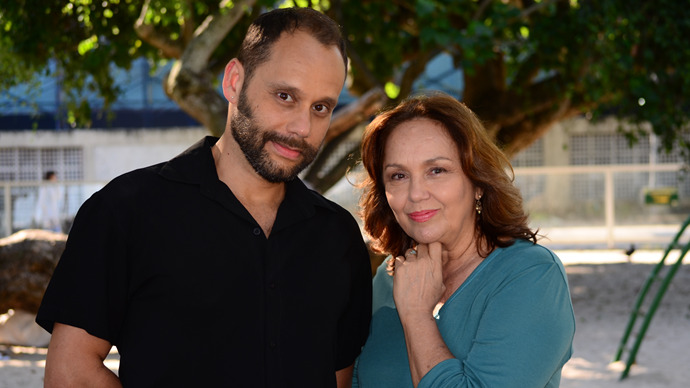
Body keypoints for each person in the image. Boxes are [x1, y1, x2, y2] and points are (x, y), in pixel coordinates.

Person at [36, 7, 372, 388]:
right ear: (233, 82)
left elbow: (338, 381)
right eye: (284, 96)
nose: (302, 127)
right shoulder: (125, 210)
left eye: (321, 107)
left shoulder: (339, 238)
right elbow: (71, 374)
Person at [352, 93, 575, 388]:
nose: (416, 193)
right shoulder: (388, 278)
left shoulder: (531, 276)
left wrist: (417, 315)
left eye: (437, 170)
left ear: (478, 183)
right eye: (398, 176)